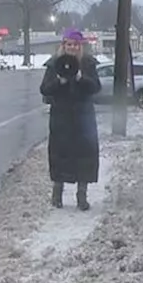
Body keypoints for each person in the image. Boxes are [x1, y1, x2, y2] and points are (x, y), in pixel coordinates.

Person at [41, 28, 101, 211]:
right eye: (69, 44)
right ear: (63, 45)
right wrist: (59, 82)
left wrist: (81, 79)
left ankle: (81, 197)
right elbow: (44, 89)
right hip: (61, 120)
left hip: (84, 120)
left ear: (80, 46)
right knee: (60, 157)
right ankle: (57, 195)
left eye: (75, 44)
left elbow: (96, 87)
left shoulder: (88, 64)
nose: (72, 47)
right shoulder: (54, 64)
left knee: (85, 158)